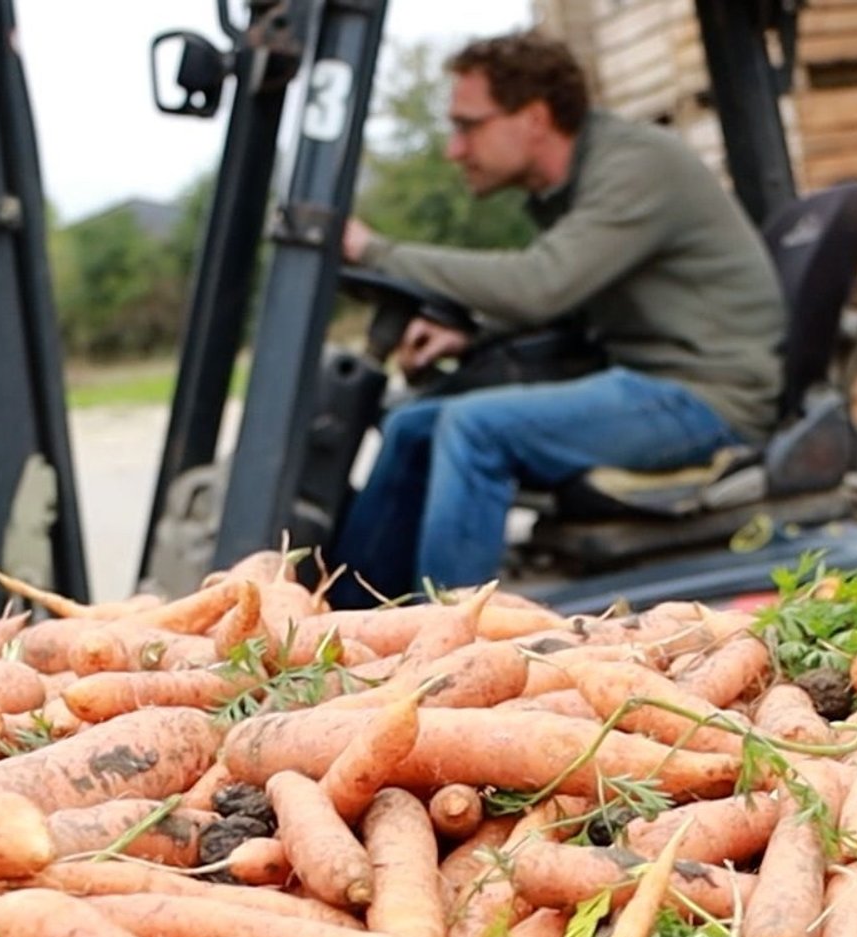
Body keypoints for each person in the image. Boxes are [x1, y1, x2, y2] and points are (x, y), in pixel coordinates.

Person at [329, 31, 787, 604]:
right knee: (412, 425)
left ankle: (453, 644)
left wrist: (376, 252)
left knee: (475, 428)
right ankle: (345, 620)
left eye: (468, 125)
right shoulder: (578, 180)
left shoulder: (635, 167)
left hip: (704, 400)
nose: (454, 149)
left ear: (535, 118)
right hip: (649, 385)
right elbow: (570, 296)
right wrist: (470, 331)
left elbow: (541, 285)